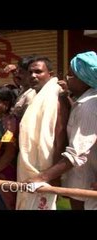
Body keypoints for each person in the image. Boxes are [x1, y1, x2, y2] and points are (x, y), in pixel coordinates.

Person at [25, 51, 97, 210]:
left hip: (85, 185)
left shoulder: (89, 106)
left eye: (71, 75)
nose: (66, 77)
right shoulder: (81, 102)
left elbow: (76, 153)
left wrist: (43, 177)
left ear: (84, 79)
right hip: (80, 180)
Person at [16, 55, 70, 210]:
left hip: (46, 169)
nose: (33, 76)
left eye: (38, 72)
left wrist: (54, 174)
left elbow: (60, 137)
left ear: (50, 74)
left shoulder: (57, 96)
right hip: (30, 166)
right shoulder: (35, 96)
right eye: (30, 72)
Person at [4, 56, 37, 121]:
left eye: (21, 72)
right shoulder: (24, 89)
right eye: (17, 71)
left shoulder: (31, 96)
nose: (17, 75)